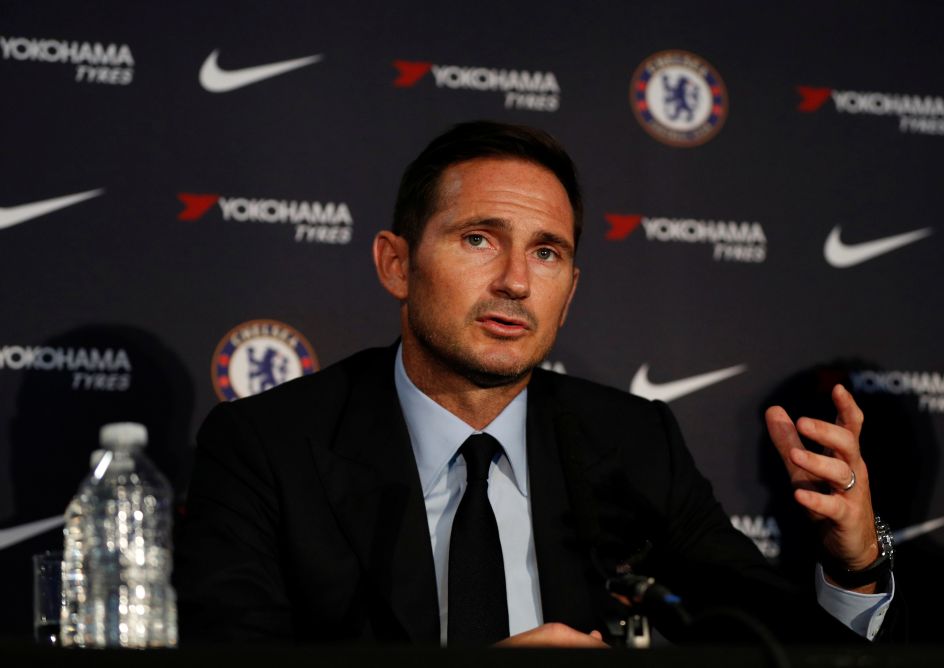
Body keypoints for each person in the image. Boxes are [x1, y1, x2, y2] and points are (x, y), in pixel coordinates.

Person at [173, 120, 896, 648]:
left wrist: (851, 565)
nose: (516, 281)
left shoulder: (634, 445)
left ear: (570, 290)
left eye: (546, 253)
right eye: (479, 239)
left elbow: (764, 648)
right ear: (396, 264)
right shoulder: (267, 447)